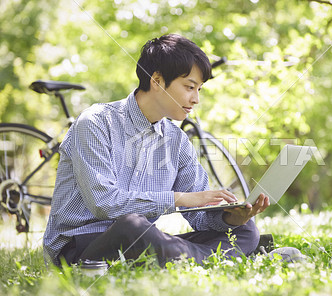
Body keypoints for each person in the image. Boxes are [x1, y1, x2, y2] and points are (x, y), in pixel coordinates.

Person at [43, 34, 270, 267]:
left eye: (199, 89)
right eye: (190, 87)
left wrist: (231, 218)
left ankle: (189, 257)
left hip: (140, 241)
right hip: (80, 247)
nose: (196, 99)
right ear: (158, 81)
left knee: (246, 231)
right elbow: (104, 202)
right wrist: (181, 198)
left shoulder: (177, 141)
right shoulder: (96, 123)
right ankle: (219, 258)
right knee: (133, 226)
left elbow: (199, 215)